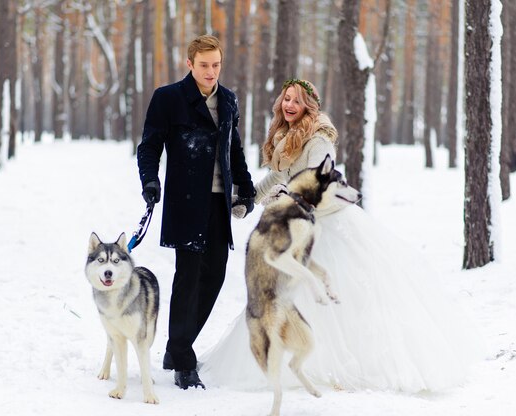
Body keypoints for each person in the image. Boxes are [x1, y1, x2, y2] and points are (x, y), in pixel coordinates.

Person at [200, 79, 485, 392]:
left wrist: (282, 200)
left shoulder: (318, 138)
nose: (290, 106)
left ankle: (335, 365)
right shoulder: (287, 138)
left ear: (310, 106)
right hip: (300, 222)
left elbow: (319, 188)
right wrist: (249, 199)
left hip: (325, 224)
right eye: (286, 99)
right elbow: (277, 177)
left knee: (331, 295)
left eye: (297, 101)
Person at [136, 34, 256, 390]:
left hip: (218, 203)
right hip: (186, 201)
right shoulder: (169, 98)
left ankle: (176, 347)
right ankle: (184, 362)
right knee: (188, 277)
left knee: (214, 277)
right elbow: (149, 147)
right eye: (204, 65)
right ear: (190, 64)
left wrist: (246, 189)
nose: (210, 71)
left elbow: (234, 150)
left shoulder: (229, 100)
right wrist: (150, 183)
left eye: (216, 64)